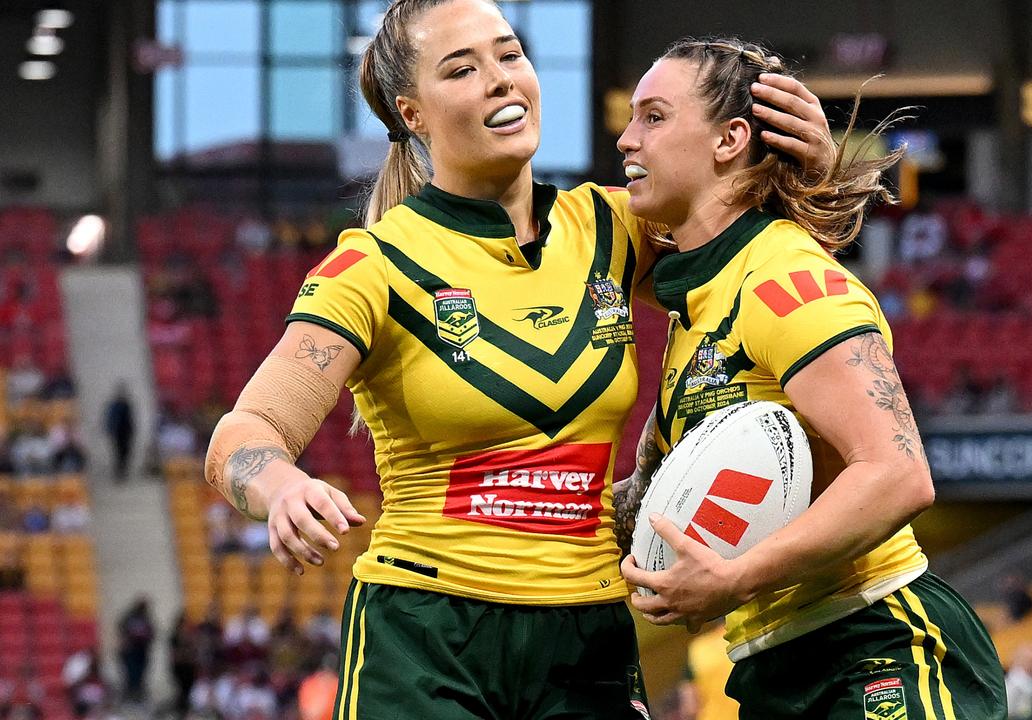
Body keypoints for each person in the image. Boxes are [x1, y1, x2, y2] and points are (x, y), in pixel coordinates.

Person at [202, 1, 834, 717]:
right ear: (413, 114)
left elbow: (761, 279)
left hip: (588, 638)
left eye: (510, 55)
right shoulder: (373, 267)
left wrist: (803, 169)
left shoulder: (615, 226)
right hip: (423, 639)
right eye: (463, 69)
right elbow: (244, 433)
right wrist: (281, 488)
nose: (501, 80)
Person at [614, 39, 1007, 718]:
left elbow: (898, 474)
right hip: (776, 663)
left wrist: (733, 579)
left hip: (878, 644)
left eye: (653, 117)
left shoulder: (789, 280)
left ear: (729, 139)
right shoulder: (701, 290)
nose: (626, 139)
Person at [103, 384, 135, 481]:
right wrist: (110, 430)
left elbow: (131, 419)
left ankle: (123, 470)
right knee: (118, 453)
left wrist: (132, 431)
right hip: (117, 433)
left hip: (126, 432)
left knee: (126, 452)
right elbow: (110, 419)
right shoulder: (114, 405)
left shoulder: (127, 405)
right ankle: (118, 471)